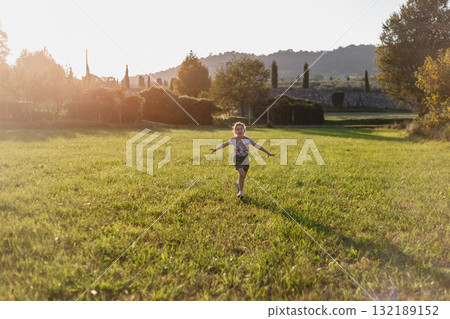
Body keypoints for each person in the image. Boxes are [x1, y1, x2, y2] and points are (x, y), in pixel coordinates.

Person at [209, 121, 275, 198]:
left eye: (241, 129)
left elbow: (257, 146)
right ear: (235, 131)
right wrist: (215, 149)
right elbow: (224, 144)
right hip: (237, 158)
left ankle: (238, 184)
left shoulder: (248, 140)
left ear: (244, 130)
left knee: (243, 176)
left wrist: (267, 152)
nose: (239, 131)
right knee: (242, 174)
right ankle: (241, 192)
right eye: (237, 129)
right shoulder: (233, 139)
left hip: (246, 159)